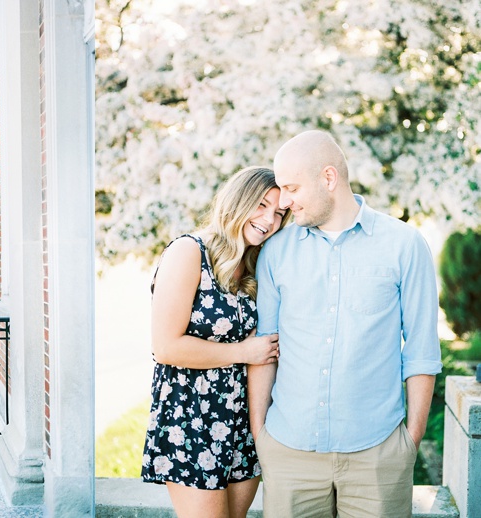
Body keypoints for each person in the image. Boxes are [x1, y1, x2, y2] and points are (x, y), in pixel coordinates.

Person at [249, 130, 443, 517]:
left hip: (378, 454)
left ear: (329, 178)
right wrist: (262, 437)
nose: (283, 202)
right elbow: (265, 349)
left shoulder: (404, 245)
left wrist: (410, 442)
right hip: (289, 452)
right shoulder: (276, 252)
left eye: (291, 188)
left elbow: (422, 351)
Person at [142, 166, 289, 518]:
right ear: (238, 201)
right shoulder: (189, 252)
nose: (269, 220)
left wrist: (260, 430)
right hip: (190, 418)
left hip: (242, 422)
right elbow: (165, 346)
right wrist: (244, 352)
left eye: (280, 213)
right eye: (262, 205)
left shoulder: (257, 266)